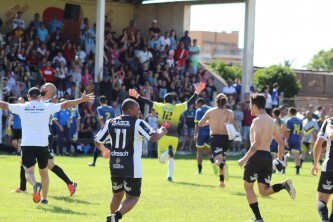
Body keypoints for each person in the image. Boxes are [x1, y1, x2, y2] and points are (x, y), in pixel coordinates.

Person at [2, 86, 94, 204]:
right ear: (40, 97)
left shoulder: (22, 107)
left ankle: (35, 185)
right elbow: (65, 104)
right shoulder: (46, 106)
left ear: (28, 97)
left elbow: (4, 105)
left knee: (29, 172)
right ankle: (44, 199)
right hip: (43, 144)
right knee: (44, 172)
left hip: (27, 144)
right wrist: (81, 100)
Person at [94, 99, 167, 222]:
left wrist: (104, 150)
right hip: (132, 167)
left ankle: (112, 218)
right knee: (133, 197)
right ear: (130, 110)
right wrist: (161, 131)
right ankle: (116, 216)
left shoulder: (111, 122)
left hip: (115, 165)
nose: (139, 113)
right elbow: (153, 137)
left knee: (117, 195)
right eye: (137, 110)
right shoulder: (138, 123)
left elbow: (97, 139)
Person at [129, 82, 206, 181]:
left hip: (162, 135)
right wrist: (197, 91)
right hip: (174, 137)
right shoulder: (177, 107)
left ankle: (167, 155)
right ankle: (169, 176)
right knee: (171, 157)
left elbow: (147, 101)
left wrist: (137, 95)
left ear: (164, 101)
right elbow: (190, 102)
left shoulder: (160, 106)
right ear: (173, 101)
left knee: (161, 159)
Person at [238, 94, 296, 222]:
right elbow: (281, 143)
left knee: (248, 187)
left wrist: (244, 159)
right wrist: (280, 160)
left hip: (256, 156)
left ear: (254, 105)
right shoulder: (271, 120)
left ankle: (258, 218)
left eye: (250, 105)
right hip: (267, 157)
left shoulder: (257, 121)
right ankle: (283, 185)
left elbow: (256, 144)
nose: (249, 108)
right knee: (263, 191)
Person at [198, 93, 238, 187]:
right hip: (226, 139)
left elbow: (200, 123)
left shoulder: (210, 111)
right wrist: (237, 130)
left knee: (217, 159)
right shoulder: (229, 112)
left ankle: (222, 167)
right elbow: (232, 122)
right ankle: (222, 181)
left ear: (216, 102)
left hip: (215, 138)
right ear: (225, 102)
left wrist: (209, 122)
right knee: (222, 158)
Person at [312, 116, 333, 222]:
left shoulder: (329, 121)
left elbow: (319, 142)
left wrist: (315, 163)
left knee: (321, 200)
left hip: (330, 165)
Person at [89, 95, 115, 166]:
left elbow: (100, 118)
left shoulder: (99, 108)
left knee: (98, 143)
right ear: (106, 101)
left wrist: (102, 127)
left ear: (100, 102)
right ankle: (112, 163)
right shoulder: (111, 108)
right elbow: (114, 119)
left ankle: (94, 162)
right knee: (110, 145)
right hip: (111, 128)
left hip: (103, 128)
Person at [194, 98, 217, 175]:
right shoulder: (212, 109)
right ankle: (213, 163)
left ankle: (199, 171)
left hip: (201, 133)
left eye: (197, 105)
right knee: (209, 153)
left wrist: (195, 134)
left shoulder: (199, 110)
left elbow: (197, 124)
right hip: (210, 132)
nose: (196, 107)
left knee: (199, 152)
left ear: (200, 103)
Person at [285, 107, 303, 175]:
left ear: (290, 112)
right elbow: (301, 133)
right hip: (297, 139)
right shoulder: (300, 121)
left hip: (290, 139)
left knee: (286, 155)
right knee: (296, 156)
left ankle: (283, 170)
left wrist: (286, 141)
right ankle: (297, 171)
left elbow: (288, 132)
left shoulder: (289, 120)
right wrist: (300, 140)